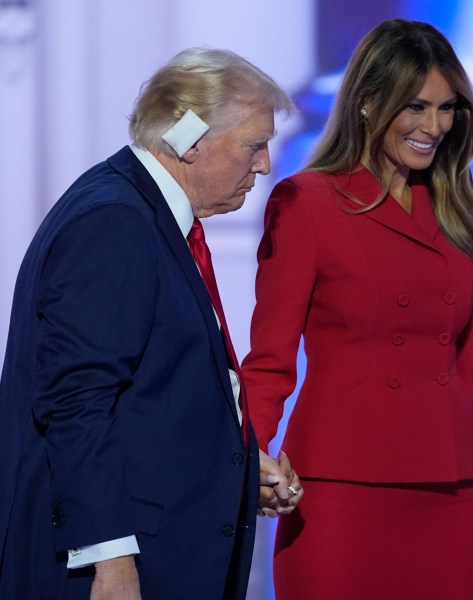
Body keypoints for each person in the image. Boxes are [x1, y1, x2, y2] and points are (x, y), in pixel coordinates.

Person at [242, 19, 473, 600]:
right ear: (370, 104)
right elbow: (271, 362)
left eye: (447, 108)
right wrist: (245, 460)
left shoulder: (458, 216)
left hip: (448, 493)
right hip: (340, 489)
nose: (435, 127)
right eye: (417, 107)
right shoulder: (307, 204)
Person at [0, 47, 303, 600]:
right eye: (255, 145)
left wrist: (231, 467)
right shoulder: (115, 221)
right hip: (118, 571)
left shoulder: (145, 215)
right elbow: (76, 403)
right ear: (190, 142)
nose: (264, 165)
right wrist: (110, 560)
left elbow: (152, 394)